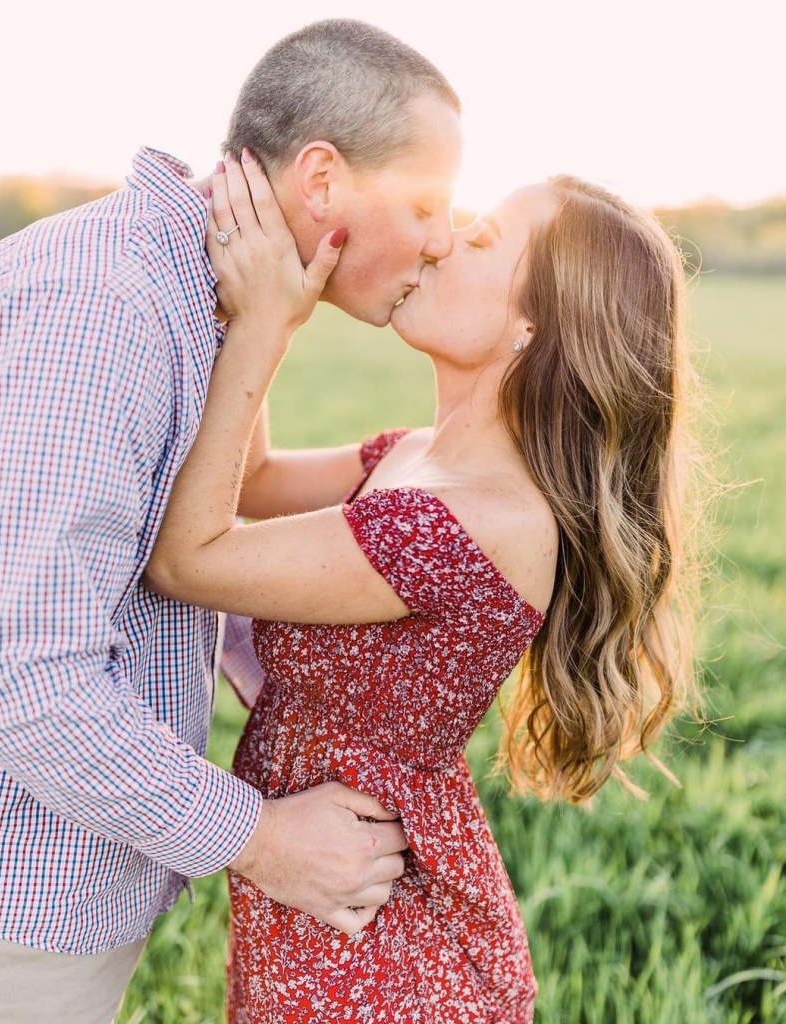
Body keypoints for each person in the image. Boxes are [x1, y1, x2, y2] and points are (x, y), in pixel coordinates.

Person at [0, 20, 462, 1024]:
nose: (444, 237)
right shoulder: (103, 310)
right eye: (425, 204)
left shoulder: (194, 299)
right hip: (3, 889)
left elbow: (234, 499)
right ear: (321, 183)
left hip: (54, 872)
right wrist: (266, 840)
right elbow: (21, 677)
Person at [143, 151, 701, 1022]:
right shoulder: (416, 458)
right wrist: (280, 285)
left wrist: (265, 324)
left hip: (390, 950)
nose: (439, 245)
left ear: (533, 327)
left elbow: (188, 558)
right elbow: (248, 479)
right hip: (325, 887)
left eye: (478, 240)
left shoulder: (479, 520)